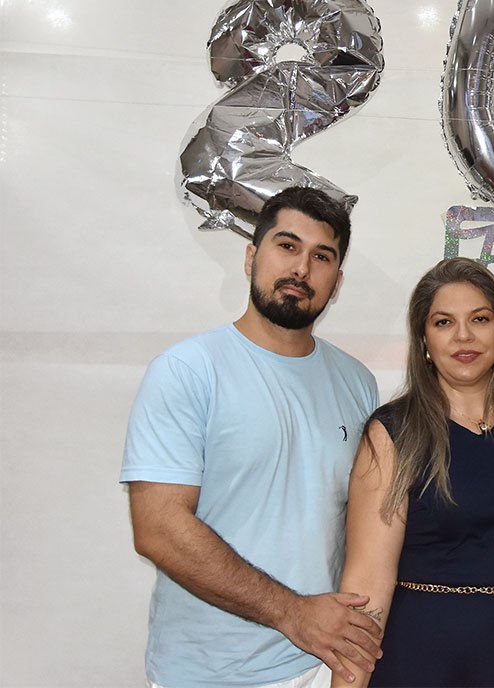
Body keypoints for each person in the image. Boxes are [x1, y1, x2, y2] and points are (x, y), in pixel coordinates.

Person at [121, 186, 384, 688]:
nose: (301, 269)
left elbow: (362, 522)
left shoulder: (357, 383)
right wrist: (294, 614)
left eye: (321, 256)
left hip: (321, 664)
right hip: (208, 673)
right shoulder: (187, 371)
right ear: (250, 257)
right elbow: (157, 528)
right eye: (287, 246)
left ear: (337, 282)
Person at [332, 257, 494, 688]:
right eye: (443, 322)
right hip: (422, 665)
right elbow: (367, 586)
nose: (463, 336)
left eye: (479, 319)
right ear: (424, 340)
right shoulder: (394, 432)